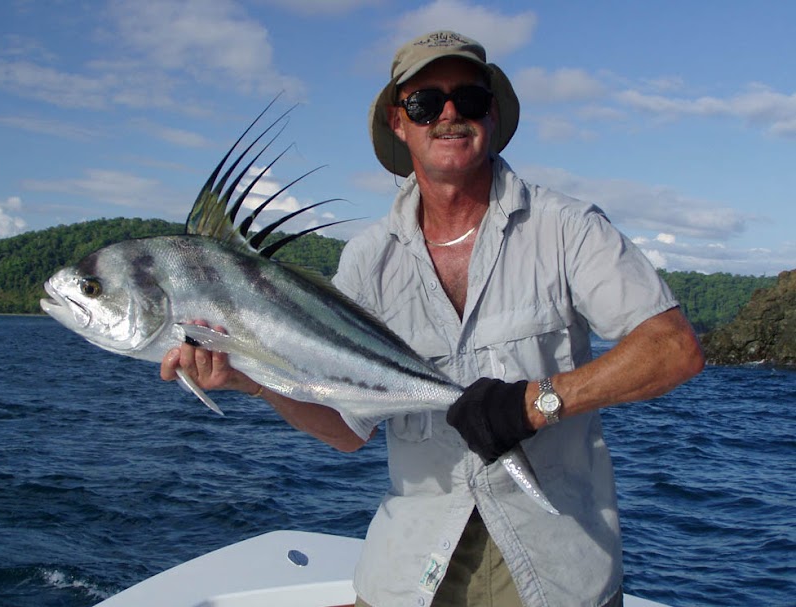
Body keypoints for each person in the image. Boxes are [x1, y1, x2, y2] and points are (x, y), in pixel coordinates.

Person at [161, 30, 704, 607]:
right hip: (410, 573)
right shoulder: (368, 262)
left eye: (468, 98)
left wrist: (538, 402)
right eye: (424, 103)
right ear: (399, 123)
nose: (448, 115)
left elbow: (673, 348)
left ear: (491, 114)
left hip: (553, 572)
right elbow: (347, 430)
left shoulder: (567, 229)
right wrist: (249, 378)